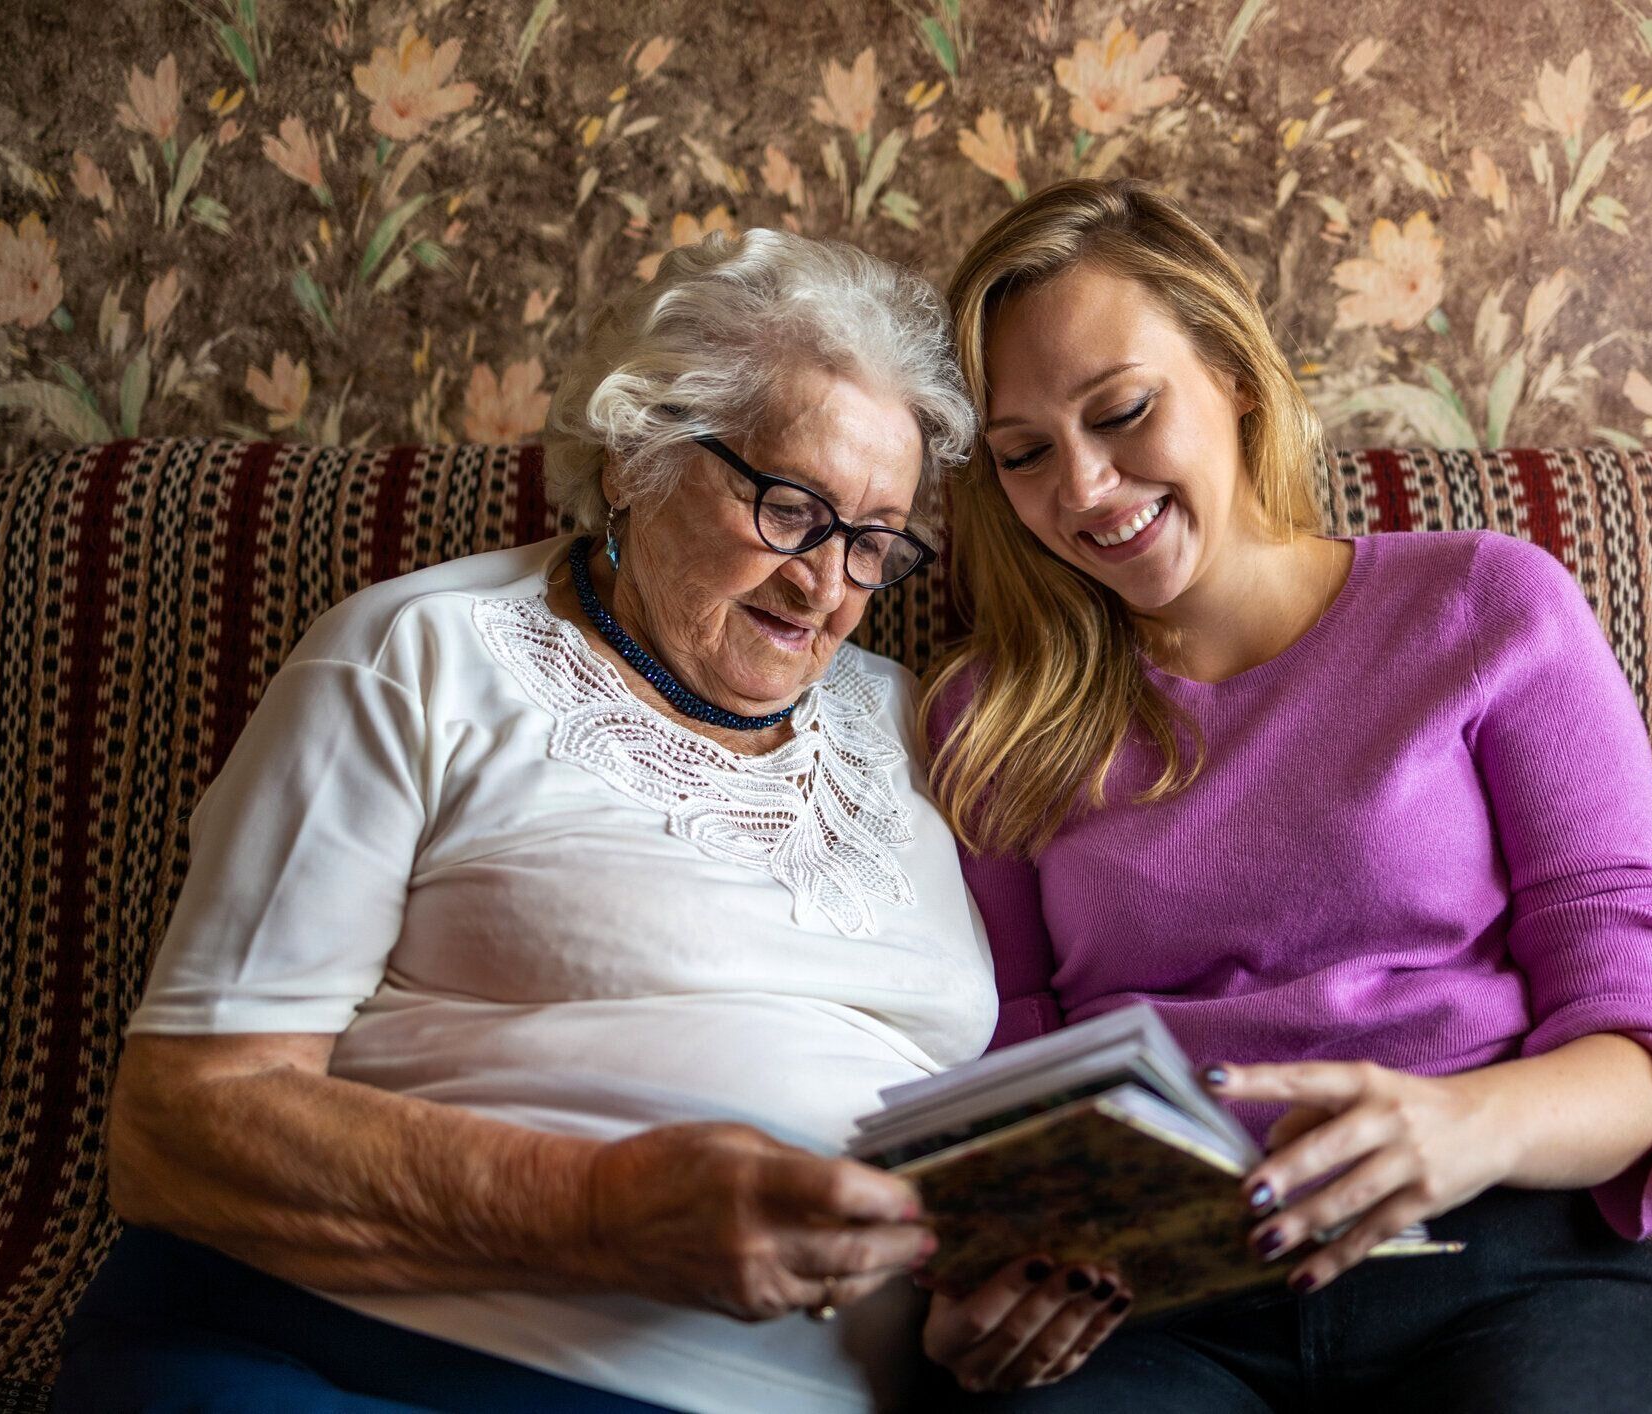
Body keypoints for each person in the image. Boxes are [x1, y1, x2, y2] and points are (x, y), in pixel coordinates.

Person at [56, 228, 1062, 1414]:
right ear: (641, 454)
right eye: (791, 508)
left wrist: (1006, 1282)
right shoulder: (415, 658)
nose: (826, 583)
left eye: (874, 541)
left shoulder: (919, 723)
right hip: (353, 1354)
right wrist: (599, 1213)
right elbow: (180, 1125)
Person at [914, 180, 1652, 1412]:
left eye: (1122, 411)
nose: (1082, 489)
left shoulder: (1489, 606)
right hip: (1151, 1306)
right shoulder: (988, 711)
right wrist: (978, 1276)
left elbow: (1642, 1059)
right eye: (1026, 454)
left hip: (1501, 1256)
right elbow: (1006, 1053)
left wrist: (1464, 1129)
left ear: (1235, 374)